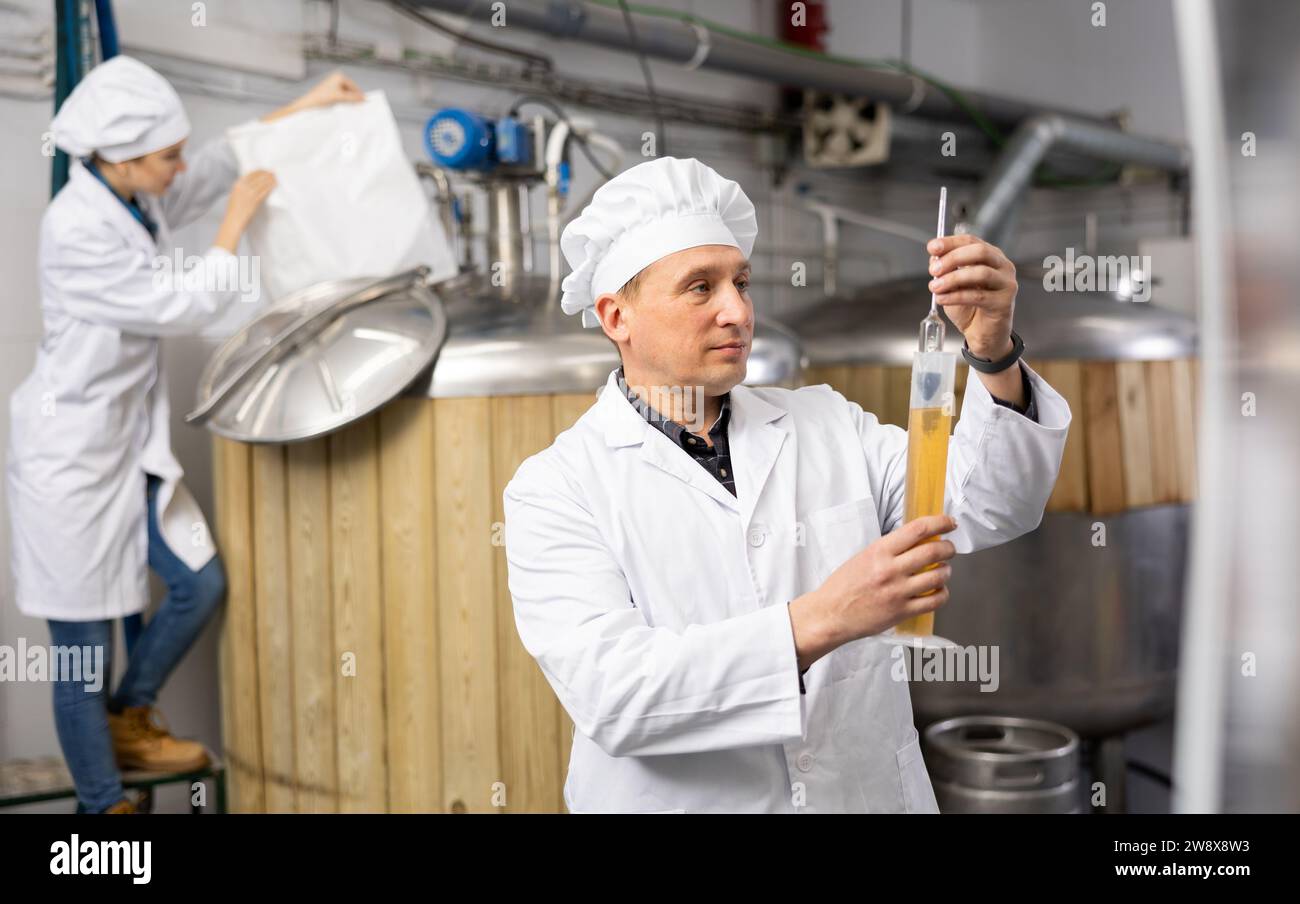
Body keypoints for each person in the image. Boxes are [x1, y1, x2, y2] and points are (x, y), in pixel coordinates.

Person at [503, 156, 1070, 813]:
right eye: (700, 288)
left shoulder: (829, 423)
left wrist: (993, 351)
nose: (738, 312)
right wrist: (820, 619)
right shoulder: (557, 488)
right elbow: (618, 695)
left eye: (741, 282)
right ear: (615, 317)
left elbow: (989, 505)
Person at [6, 55, 363, 814]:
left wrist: (310, 101)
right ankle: (103, 809)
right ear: (126, 158)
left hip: (125, 448)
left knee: (199, 584)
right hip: (68, 459)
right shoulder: (77, 229)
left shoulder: (136, 197)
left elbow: (223, 162)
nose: (180, 167)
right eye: (166, 155)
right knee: (79, 655)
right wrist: (233, 224)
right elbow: (184, 304)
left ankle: (131, 717)